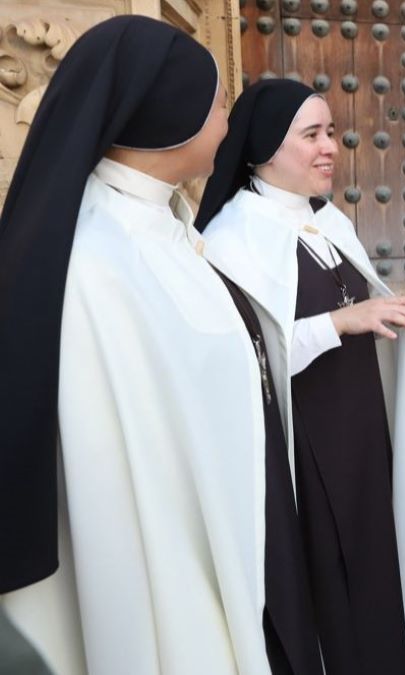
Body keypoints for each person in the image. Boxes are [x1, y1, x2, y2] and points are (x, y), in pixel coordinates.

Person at [0, 16, 288, 675]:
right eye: (219, 104)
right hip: (160, 556)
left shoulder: (153, 217)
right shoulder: (98, 263)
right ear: (173, 115)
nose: (226, 122)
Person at [196, 78, 405, 675]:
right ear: (263, 146)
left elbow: (350, 302)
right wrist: (342, 321)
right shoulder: (230, 238)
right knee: (328, 574)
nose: (330, 147)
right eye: (310, 135)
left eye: (332, 132)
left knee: (371, 555)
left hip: (359, 426)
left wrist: (395, 310)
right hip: (303, 443)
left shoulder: (326, 218)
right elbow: (241, 364)